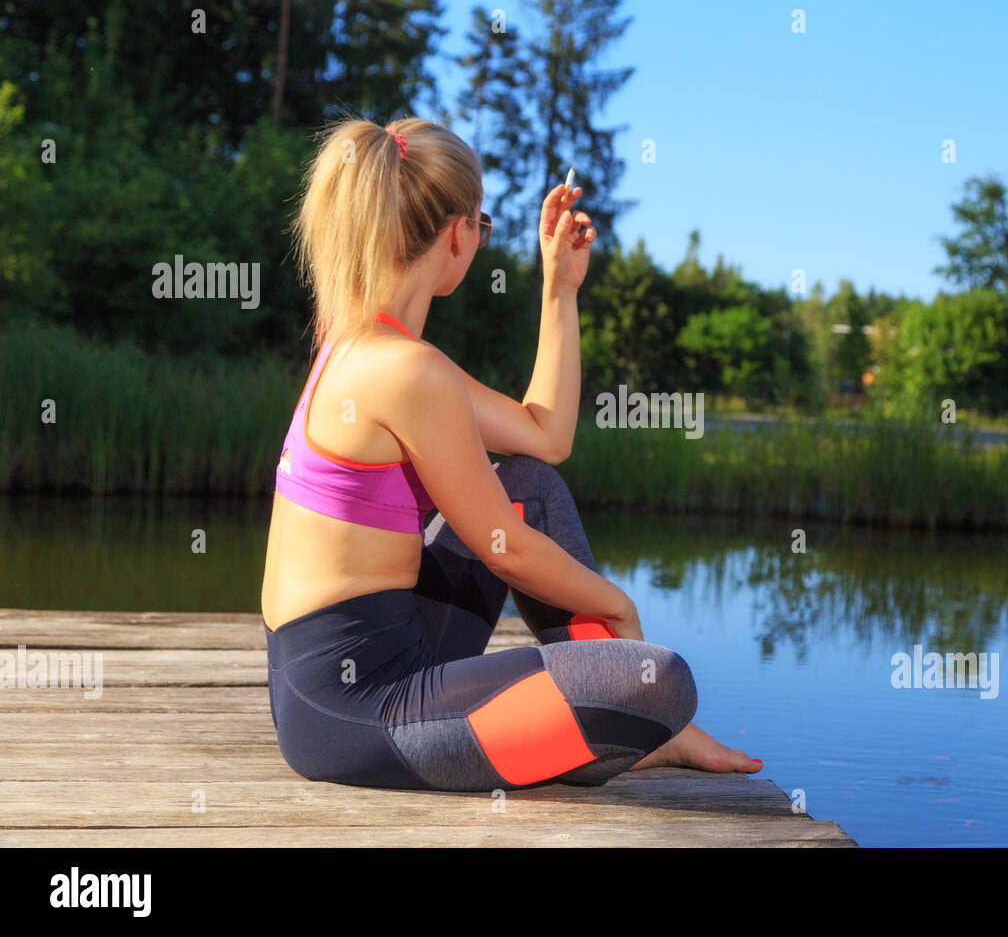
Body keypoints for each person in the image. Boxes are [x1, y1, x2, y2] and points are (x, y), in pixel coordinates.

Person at [259, 117, 760, 791]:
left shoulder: (369, 352)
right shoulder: (405, 372)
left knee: (530, 484)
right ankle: (632, 725)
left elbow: (544, 436)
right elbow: (505, 549)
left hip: (376, 662)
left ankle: (621, 722)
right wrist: (616, 608)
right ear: (459, 234)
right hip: (354, 713)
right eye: (483, 226)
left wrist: (560, 290)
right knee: (661, 681)